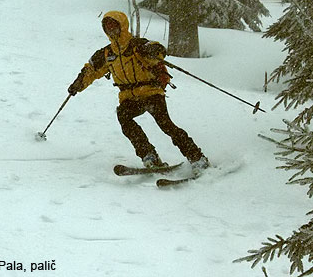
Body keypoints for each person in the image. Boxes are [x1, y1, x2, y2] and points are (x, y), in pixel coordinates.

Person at [68, 10, 209, 172]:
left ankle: (197, 158)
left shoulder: (137, 45)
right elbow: (91, 70)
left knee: (166, 126)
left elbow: (159, 51)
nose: (111, 29)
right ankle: (149, 155)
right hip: (129, 97)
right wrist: (77, 84)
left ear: (122, 26)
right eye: (107, 26)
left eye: (114, 25)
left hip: (151, 93)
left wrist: (152, 51)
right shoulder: (107, 53)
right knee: (124, 117)